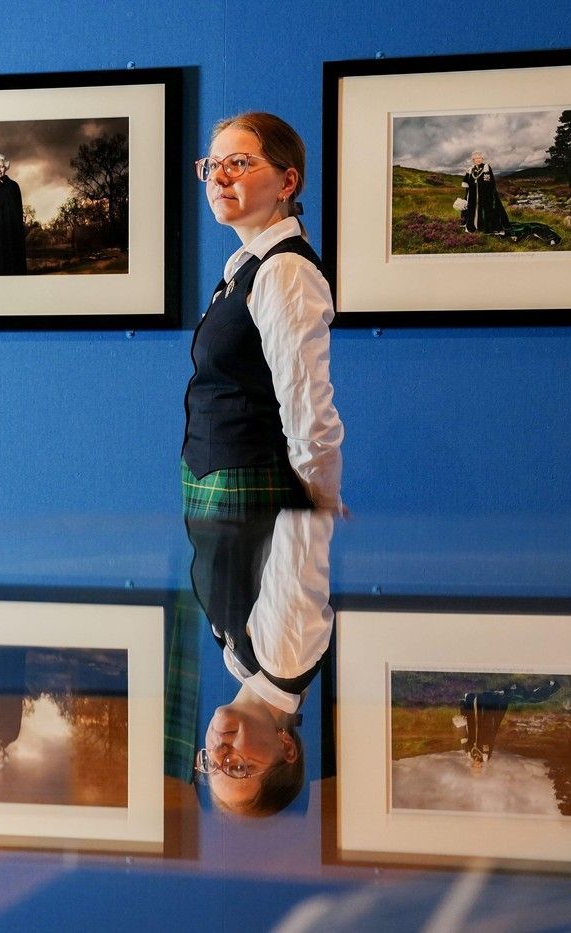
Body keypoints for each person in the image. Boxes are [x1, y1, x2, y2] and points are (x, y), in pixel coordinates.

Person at [182, 113, 344, 518]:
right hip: (217, 485)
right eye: (212, 166)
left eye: (238, 163)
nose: (219, 178)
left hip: (253, 489)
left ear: (286, 183)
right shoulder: (245, 269)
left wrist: (322, 506)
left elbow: (306, 406)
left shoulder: (285, 270)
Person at [191, 507, 334, 816]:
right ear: (286, 747)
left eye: (211, 765)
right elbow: (302, 517)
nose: (218, 752)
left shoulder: (239, 662)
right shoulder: (286, 657)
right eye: (238, 767)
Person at [455, 678, 561, 772]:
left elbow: (464, 738)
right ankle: (507, 693)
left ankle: (490, 695)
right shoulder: (485, 757)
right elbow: (489, 739)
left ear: (472, 765)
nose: (477, 765)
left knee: (478, 706)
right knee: (519, 699)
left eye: (474, 767)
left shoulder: (468, 754)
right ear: (481, 766)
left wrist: (461, 725)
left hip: (476, 724)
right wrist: (491, 723)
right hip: (487, 725)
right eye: (479, 767)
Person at [458, 151, 509, 234]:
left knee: (486, 210)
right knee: (472, 209)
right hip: (473, 194)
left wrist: (490, 193)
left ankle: (485, 227)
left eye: (480, 158)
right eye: (476, 158)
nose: (478, 160)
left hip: (485, 194)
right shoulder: (471, 169)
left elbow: (490, 181)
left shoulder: (486, 167)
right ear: (473, 160)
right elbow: (467, 182)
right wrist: (467, 175)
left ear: (482, 159)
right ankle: (473, 226)